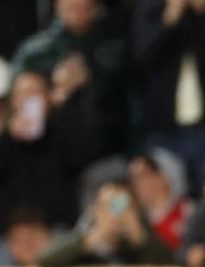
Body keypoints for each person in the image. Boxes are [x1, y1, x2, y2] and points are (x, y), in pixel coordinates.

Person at [134, 0, 205, 192]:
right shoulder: (150, 10)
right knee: (164, 196)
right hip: (163, 128)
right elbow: (143, 57)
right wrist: (168, 20)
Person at [0, 70, 100, 235]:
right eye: (22, 93)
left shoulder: (64, 132)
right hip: (12, 234)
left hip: (56, 228)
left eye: (35, 92)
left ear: (48, 98)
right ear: (13, 101)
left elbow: (84, 157)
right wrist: (8, 137)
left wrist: (61, 113)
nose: (28, 98)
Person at [11, 0, 130, 154]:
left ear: (95, 7)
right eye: (72, 7)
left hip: (105, 144)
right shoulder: (34, 53)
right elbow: (17, 107)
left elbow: (126, 98)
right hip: (45, 148)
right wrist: (52, 95)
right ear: (57, 5)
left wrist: (91, 76)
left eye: (83, 7)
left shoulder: (113, 47)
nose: (78, 13)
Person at [37, 179, 177, 267]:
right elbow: (46, 260)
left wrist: (139, 237)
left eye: (123, 207)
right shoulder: (83, 247)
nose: (115, 215)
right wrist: (93, 238)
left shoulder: (142, 245)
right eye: (109, 206)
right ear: (96, 210)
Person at [128, 150, 193, 252]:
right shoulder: (129, 206)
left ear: (164, 177)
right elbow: (107, 214)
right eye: (133, 177)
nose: (136, 183)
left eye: (143, 176)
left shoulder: (187, 210)